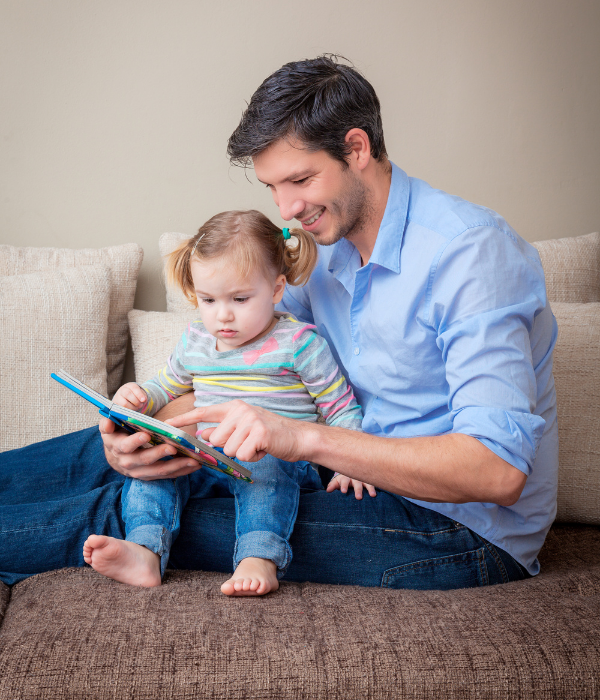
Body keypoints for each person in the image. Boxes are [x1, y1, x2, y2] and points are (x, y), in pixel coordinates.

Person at [0, 55, 558, 590]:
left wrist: (301, 437)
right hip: (342, 480)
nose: (286, 209)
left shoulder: (471, 254)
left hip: (458, 530)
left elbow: (497, 473)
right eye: (272, 187)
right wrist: (150, 434)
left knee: (122, 513)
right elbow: (240, 365)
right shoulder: (318, 253)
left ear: (356, 148)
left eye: (299, 180)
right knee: (112, 462)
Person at [82, 209, 368, 596]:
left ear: (277, 288)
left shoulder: (300, 343)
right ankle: (145, 550)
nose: (223, 315)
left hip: (275, 459)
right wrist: (138, 397)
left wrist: (354, 462)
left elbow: (340, 408)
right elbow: (166, 386)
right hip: (207, 455)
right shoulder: (195, 340)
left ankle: (259, 557)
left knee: (264, 467)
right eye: (208, 300)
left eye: (240, 298)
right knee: (155, 470)